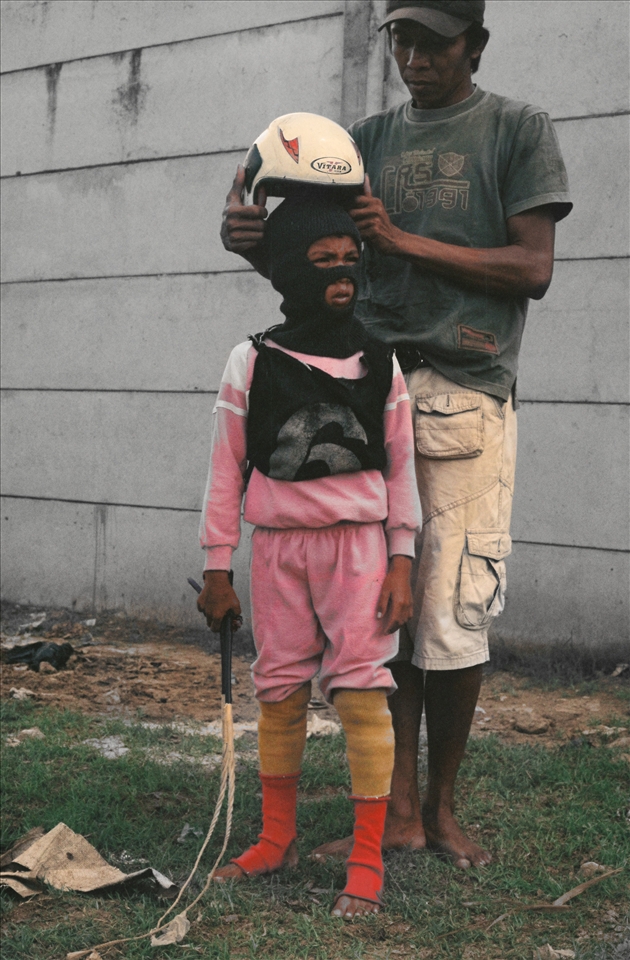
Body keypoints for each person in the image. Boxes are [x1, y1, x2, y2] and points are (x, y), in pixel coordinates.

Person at [220, 0, 571, 870]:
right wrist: (250, 240)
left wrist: (403, 240)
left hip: (461, 389)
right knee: (382, 612)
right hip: (366, 382)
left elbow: (533, 267)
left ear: (475, 44)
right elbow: (318, 264)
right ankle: (401, 813)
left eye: (433, 42)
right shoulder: (362, 140)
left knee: (450, 612)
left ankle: (441, 810)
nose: (414, 56)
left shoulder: (516, 128)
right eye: (401, 39)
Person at [197, 196, 422, 919]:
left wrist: (402, 559)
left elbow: (401, 468)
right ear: (290, 271)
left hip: (358, 550)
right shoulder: (253, 360)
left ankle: (366, 856)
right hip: (279, 551)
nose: (340, 275)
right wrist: (217, 565)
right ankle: (277, 838)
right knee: (280, 690)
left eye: (350, 259)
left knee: (361, 692)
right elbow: (225, 468)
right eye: (322, 262)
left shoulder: (379, 360)